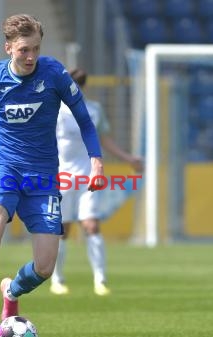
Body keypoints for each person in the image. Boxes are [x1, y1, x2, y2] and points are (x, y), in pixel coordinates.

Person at [0, 14, 104, 337]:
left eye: (34, 49)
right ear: (8, 48)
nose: (30, 56)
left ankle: (11, 290)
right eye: (22, 50)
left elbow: (85, 120)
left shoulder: (55, 74)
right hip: (5, 170)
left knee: (45, 267)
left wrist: (96, 161)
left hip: (44, 178)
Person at [50, 68, 144, 296]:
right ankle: (57, 280)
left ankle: (100, 280)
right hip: (61, 176)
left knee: (92, 225)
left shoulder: (93, 110)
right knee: (63, 229)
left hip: (89, 176)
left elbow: (103, 139)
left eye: (79, 85)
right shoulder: (55, 110)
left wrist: (128, 158)